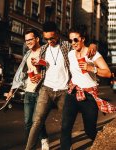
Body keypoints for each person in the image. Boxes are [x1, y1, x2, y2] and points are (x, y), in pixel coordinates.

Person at [25, 21, 97, 150]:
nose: (49, 41)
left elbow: (81, 45)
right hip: (46, 89)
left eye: (52, 38)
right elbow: (45, 69)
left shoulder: (66, 46)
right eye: (46, 38)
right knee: (37, 121)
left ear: (57, 34)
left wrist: (92, 44)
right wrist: (38, 74)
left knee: (66, 125)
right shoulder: (43, 49)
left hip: (64, 90)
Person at [60, 26, 116, 150]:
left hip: (89, 96)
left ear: (83, 39)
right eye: (71, 40)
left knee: (89, 130)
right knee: (65, 127)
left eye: (75, 40)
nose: (73, 43)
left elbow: (107, 73)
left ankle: (104, 146)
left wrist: (91, 68)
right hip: (73, 92)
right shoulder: (70, 54)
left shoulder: (93, 54)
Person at [6, 28, 49, 150]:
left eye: (30, 39)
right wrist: (12, 90)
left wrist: (41, 75)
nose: (28, 42)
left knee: (37, 121)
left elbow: (52, 70)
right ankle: (32, 145)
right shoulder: (27, 54)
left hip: (42, 91)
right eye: (26, 40)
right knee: (28, 122)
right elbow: (20, 73)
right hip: (29, 91)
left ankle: (44, 140)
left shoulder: (45, 52)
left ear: (37, 39)